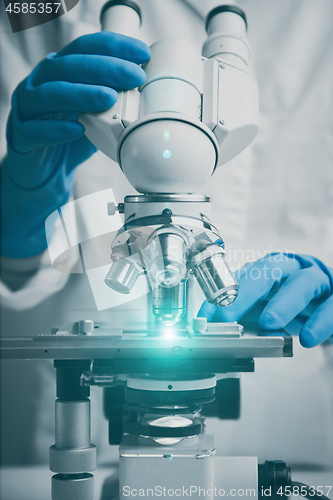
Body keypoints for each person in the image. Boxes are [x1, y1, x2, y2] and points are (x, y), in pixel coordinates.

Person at [1, 0, 333, 473]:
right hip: (96, 446)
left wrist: (328, 285)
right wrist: (18, 201)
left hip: (294, 431)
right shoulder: (39, 8)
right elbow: (25, 266)